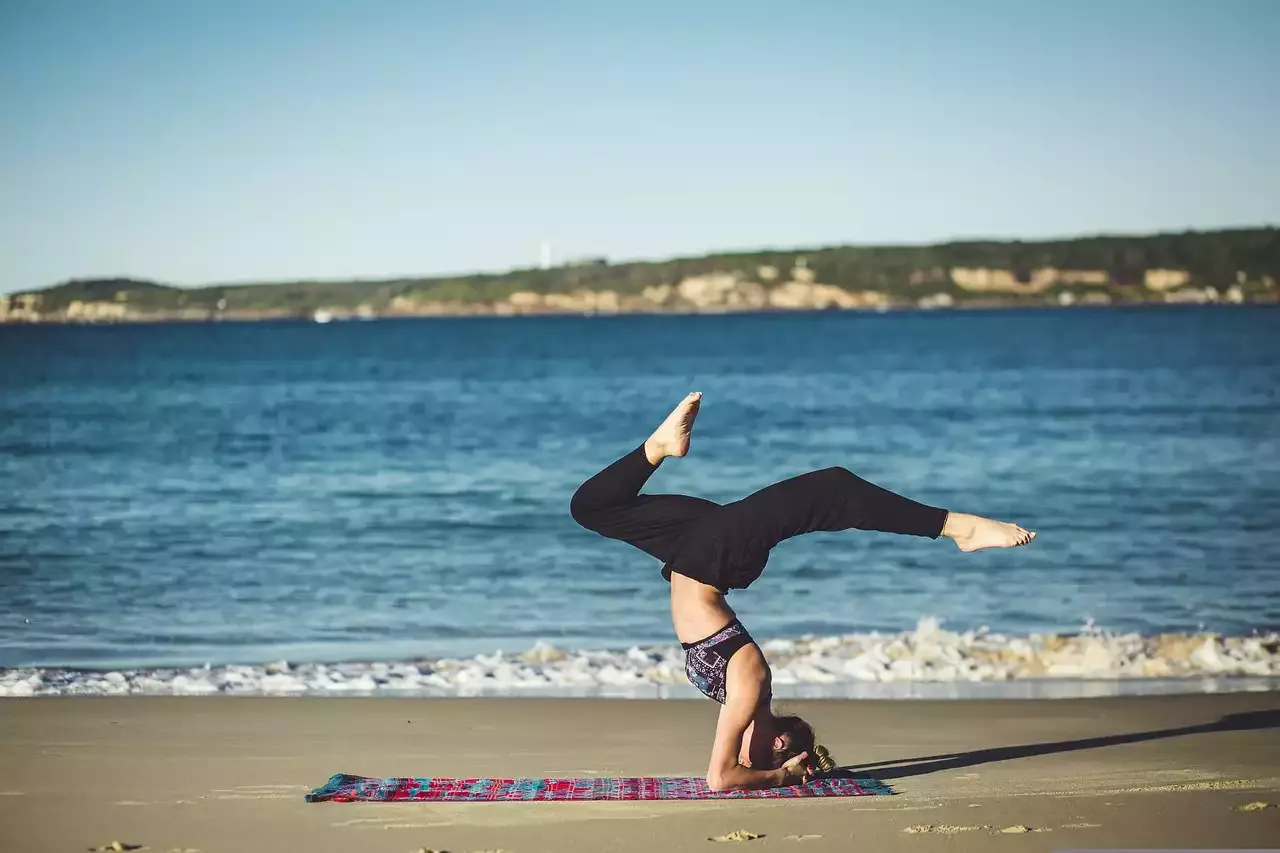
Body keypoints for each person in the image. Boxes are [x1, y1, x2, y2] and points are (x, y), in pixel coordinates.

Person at [570, 392, 1035, 792]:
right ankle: (959, 528)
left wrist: (782, 776)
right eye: (762, 756)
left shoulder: (739, 697)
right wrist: (785, 775)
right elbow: (726, 776)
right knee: (833, 487)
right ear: (777, 743)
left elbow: (720, 776)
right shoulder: (751, 683)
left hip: (694, 550)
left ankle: (658, 447)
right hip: (713, 557)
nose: (744, 754)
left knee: (591, 507)